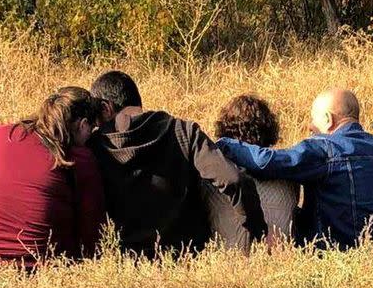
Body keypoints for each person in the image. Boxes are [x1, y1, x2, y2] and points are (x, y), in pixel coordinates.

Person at [89, 70, 267, 255]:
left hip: (123, 257)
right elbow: (233, 179)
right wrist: (259, 232)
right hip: (184, 255)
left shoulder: (94, 145)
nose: (96, 124)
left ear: (105, 108)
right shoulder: (182, 130)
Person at [217, 88, 373, 249]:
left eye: (313, 119)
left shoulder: (324, 148)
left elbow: (265, 161)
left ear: (328, 119)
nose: (311, 126)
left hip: (342, 251)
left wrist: (220, 144)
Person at [0, 87, 105, 265]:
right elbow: (91, 234)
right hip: (34, 269)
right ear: (83, 124)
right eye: (93, 128)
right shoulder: (77, 158)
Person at [205, 95, 299, 250]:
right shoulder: (289, 174)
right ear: (270, 128)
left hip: (225, 260)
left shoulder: (213, 176)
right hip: (280, 260)